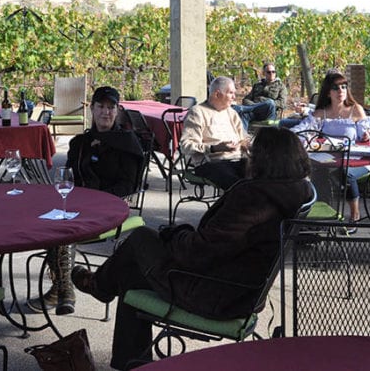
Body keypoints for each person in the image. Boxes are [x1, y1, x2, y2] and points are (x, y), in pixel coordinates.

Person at [70, 127, 314, 370]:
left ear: (264, 160)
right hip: (240, 288)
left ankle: (101, 286)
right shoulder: (295, 190)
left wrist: (175, 235)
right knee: (132, 271)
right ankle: (131, 362)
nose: (247, 157)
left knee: (141, 237)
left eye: (252, 153)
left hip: (214, 292)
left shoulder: (254, 197)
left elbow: (200, 252)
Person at [27, 86, 144, 315]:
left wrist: (97, 199)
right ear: (92, 109)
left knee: (64, 228)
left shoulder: (127, 143)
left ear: (118, 111)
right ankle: (63, 289)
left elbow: (129, 186)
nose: (106, 112)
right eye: (100, 106)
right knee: (51, 222)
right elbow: (69, 179)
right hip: (77, 205)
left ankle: (63, 291)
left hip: (111, 208)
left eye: (111, 108)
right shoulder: (80, 143)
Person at [291, 71, 370, 223]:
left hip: (355, 160)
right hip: (328, 159)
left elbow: (367, 138)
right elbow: (300, 131)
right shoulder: (321, 113)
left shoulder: (356, 110)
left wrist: (366, 135)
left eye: (343, 86)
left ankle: (354, 214)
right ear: (328, 92)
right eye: (336, 87)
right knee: (317, 170)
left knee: (345, 172)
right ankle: (321, 217)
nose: (341, 90)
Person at [179, 76, 250, 190]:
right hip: (211, 163)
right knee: (238, 186)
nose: (234, 97)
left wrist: (250, 144)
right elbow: (186, 146)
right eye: (231, 93)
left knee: (262, 179)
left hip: (237, 160)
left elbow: (244, 138)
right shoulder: (197, 112)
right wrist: (214, 148)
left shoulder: (231, 113)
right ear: (217, 94)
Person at [233, 62, 288, 130]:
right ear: (264, 73)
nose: (271, 74)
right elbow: (246, 99)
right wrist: (257, 106)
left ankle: (244, 108)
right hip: (256, 112)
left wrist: (264, 104)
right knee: (244, 115)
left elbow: (282, 103)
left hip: (269, 113)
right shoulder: (257, 85)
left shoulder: (281, 86)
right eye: (269, 72)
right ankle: (244, 137)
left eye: (273, 72)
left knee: (270, 102)